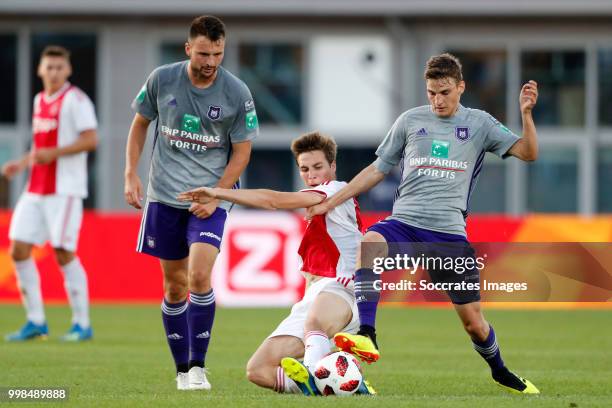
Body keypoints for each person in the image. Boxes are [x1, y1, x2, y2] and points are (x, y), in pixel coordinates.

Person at [307, 53, 540, 394]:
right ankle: (367, 335)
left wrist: (526, 115)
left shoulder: (480, 124)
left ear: (461, 87)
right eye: (431, 92)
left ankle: (500, 370)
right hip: (405, 223)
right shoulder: (409, 121)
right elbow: (377, 169)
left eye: (444, 92)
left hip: (448, 235)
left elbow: (529, 152)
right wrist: (331, 201)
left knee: (474, 324)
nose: (437, 100)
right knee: (369, 243)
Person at [178, 131, 374, 396]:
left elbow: (274, 200)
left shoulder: (334, 190)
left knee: (315, 322)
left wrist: (218, 193)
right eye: (304, 169)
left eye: (318, 167)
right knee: (258, 370)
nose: (311, 174)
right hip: (315, 298)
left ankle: (319, 368)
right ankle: (332, 385)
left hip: (344, 289)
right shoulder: (316, 207)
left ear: (333, 166)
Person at [124, 15, 257, 391]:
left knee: (200, 276)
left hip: (211, 198)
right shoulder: (162, 79)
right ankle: (182, 370)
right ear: (188, 49)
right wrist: (130, 173)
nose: (210, 61)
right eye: (203, 53)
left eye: (217, 53)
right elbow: (139, 124)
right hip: (164, 197)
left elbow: (242, 153)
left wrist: (216, 193)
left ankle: (199, 367)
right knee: (174, 286)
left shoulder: (237, 92)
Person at [3, 45, 98, 342]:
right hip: (35, 188)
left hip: (65, 190)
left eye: (59, 67)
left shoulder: (76, 100)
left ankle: (82, 324)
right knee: (18, 249)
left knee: (62, 251)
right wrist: (21, 163)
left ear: (67, 70)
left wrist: (54, 153)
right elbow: (40, 144)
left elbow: (91, 140)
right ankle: (36, 321)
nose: (54, 72)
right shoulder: (38, 100)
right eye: (49, 67)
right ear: (40, 70)